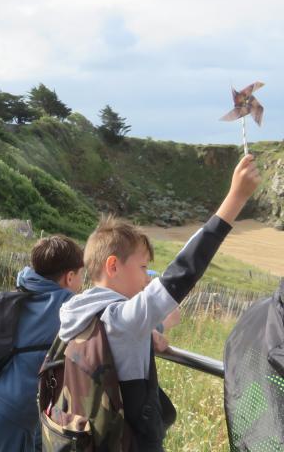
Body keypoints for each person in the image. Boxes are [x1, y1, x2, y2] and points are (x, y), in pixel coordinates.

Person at [56, 154, 260, 451]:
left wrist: (147, 334)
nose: (147, 279)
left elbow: (109, 351)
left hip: (95, 435)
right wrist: (235, 199)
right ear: (113, 266)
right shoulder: (122, 320)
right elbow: (182, 273)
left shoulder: (79, 310)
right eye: (142, 268)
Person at [0, 235, 84, 451]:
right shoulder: (68, 306)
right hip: (11, 417)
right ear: (70, 277)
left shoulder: (23, 288)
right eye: (81, 275)